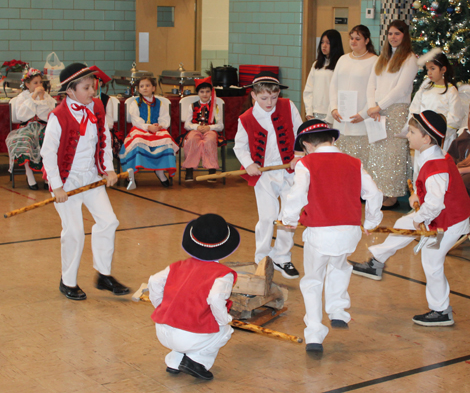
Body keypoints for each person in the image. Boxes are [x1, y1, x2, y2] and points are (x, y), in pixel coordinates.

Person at [352, 111, 470, 326]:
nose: (407, 135)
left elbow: (436, 203)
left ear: (426, 138)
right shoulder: (429, 153)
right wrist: (418, 196)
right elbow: (432, 192)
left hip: (449, 221)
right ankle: (376, 262)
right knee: (401, 223)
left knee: (431, 262)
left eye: (412, 132)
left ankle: (441, 310)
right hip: (439, 214)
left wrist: (420, 217)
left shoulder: (436, 165)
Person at [281, 119, 383, 353]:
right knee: (339, 266)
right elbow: (374, 193)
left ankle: (315, 333)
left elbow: (296, 195)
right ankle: (338, 311)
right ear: (333, 139)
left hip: (319, 232)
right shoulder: (354, 162)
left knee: (313, 280)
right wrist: (372, 221)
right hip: (349, 233)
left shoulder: (306, 163)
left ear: (306, 144)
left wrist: (288, 219)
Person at [40, 63, 129, 301]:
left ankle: (103, 274)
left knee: (109, 221)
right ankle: (67, 281)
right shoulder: (58, 116)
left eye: (94, 86)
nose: (92, 91)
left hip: (91, 177)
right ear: (70, 91)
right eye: (87, 87)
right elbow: (48, 153)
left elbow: (105, 138)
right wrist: (57, 186)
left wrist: (108, 169)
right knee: (75, 231)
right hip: (66, 181)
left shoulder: (97, 107)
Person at [148, 213, 239, 381]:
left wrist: (161, 306)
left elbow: (154, 281)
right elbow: (216, 298)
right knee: (225, 330)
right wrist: (223, 319)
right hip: (190, 336)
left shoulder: (176, 266)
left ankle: (174, 362)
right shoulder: (223, 274)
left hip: (162, 330)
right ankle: (197, 361)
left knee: (186, 332)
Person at [234, 71, 303, 279]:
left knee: (289, 215)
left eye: (274, 97)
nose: (270, 102)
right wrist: (248, 164)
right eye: (264, 98)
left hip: (288, 169)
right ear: (254, 96)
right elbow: (240, 146)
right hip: (264, 173)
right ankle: (262, 258)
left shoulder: (288, 106)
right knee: (267, 216)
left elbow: (301, 133)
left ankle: (282, 257)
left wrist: (298, 155)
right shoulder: (246, 118)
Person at [366, 20, 418, 209]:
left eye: (397, 34)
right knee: (378, 154)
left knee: (393, 155)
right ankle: (378, 192)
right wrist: (372, 106)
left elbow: (401, 88)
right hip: (377, 112)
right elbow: (371, 84)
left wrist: (379, 106)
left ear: (404, 36)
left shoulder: (410, 58)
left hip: (395, 110)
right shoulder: (383, 58)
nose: (393, 37)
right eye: (390, 34)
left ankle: (392, 195)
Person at [329, 25, 378, 168]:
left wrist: (363, 114)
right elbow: (333, 85)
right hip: (340, 119)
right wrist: (333, 108)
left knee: (358, 164)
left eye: (358, 38)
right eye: (351, 38)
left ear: (367, 40)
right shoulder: (343, 59)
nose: (353, 41)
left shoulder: (374, 61)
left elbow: (375, 90)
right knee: (339, 164)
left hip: (360, 121)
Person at [119, 76, 178, 187]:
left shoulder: (160, 103)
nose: (144, 88)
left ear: (153, 88)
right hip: (140, 129)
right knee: (137, 140)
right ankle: (131, 174)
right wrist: (147, 127)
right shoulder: (135, 103)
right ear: (138, 89)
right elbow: (135, 120)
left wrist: (160, 125)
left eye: (147, 85)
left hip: (157, 129)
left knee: (166, 139)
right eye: (141, 86)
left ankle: (160, 171)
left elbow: (165, 118)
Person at [6, 68, 56, 190]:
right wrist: (33, 97)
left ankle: (47, 175)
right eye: (35, 83)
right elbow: (21, 115)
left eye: (40, 82)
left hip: (43, 126)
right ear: (27, 85)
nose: (39, 85)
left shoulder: (47, 98)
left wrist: (42, 99)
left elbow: (48, 116)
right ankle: (29, 174)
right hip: (26, 126)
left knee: (48, 139)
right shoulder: (22, 97)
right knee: (25, 139)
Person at [409, 49, 463, 152]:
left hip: (441, 139)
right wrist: (419, 130)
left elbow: (455, 118)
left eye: (433, 69)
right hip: (422, 137)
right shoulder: (424, 89)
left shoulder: (451, 91)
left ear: (443, 69)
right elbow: (414, 109)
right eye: (427, 69)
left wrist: (436, 133)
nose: (429, 72)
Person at [181, 77, 224, 182]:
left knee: (210, 140)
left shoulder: (215, 106)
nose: (205, 94)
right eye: (202, 91)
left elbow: (220, 125)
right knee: (191, 139)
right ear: (198, 93)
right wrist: (197, 127)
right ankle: (189, 169)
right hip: (195, 130)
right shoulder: (192, 106)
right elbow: (187, 124)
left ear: (211, 92)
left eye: (208, 91)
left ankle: (211, 170)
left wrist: (210, 127)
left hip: (210, 131)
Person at [303, 29, 344, 126]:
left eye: (328, 43)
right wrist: (309, 112)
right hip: (315, 113)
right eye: (322, 42)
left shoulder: (340, 64)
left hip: (332, 115)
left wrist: (330, 116)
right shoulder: (316, 64)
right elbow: (309, 89)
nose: (324, 46)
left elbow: (339, 92)